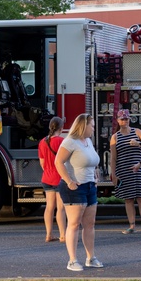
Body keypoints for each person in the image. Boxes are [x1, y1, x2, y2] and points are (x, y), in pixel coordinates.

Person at [55, 113, 103, 272]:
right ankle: (72, 260)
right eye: (92, 125)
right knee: (74, 223)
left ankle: (91, 257)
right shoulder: (70, 142)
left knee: (89, 224)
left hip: (89, 186)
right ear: (83, 125)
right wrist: (69, 181)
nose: (93, 128)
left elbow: (91, 162)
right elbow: (58, 162)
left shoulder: (87, 141)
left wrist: (95, 175)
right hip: (75, 188)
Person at [110, 109, 141, 234]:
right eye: (122, 119)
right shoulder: (115, 137)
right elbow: (113, 158)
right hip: (123, 170)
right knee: (128, 199)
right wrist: (113, 174)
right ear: (118, 121)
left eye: (127, 118)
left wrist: (139, 143)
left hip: (138, 168)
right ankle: (132, 225)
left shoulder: (137, 132)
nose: (125, 121)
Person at [38, 116, 66, 243]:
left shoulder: (42, 142)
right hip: (59, 177)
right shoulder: (61, 141)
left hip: (47, 177)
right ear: (61, 128)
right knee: (60, 208)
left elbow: (42, 164)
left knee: (49, 207)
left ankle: (48, 234)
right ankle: (62, 235)